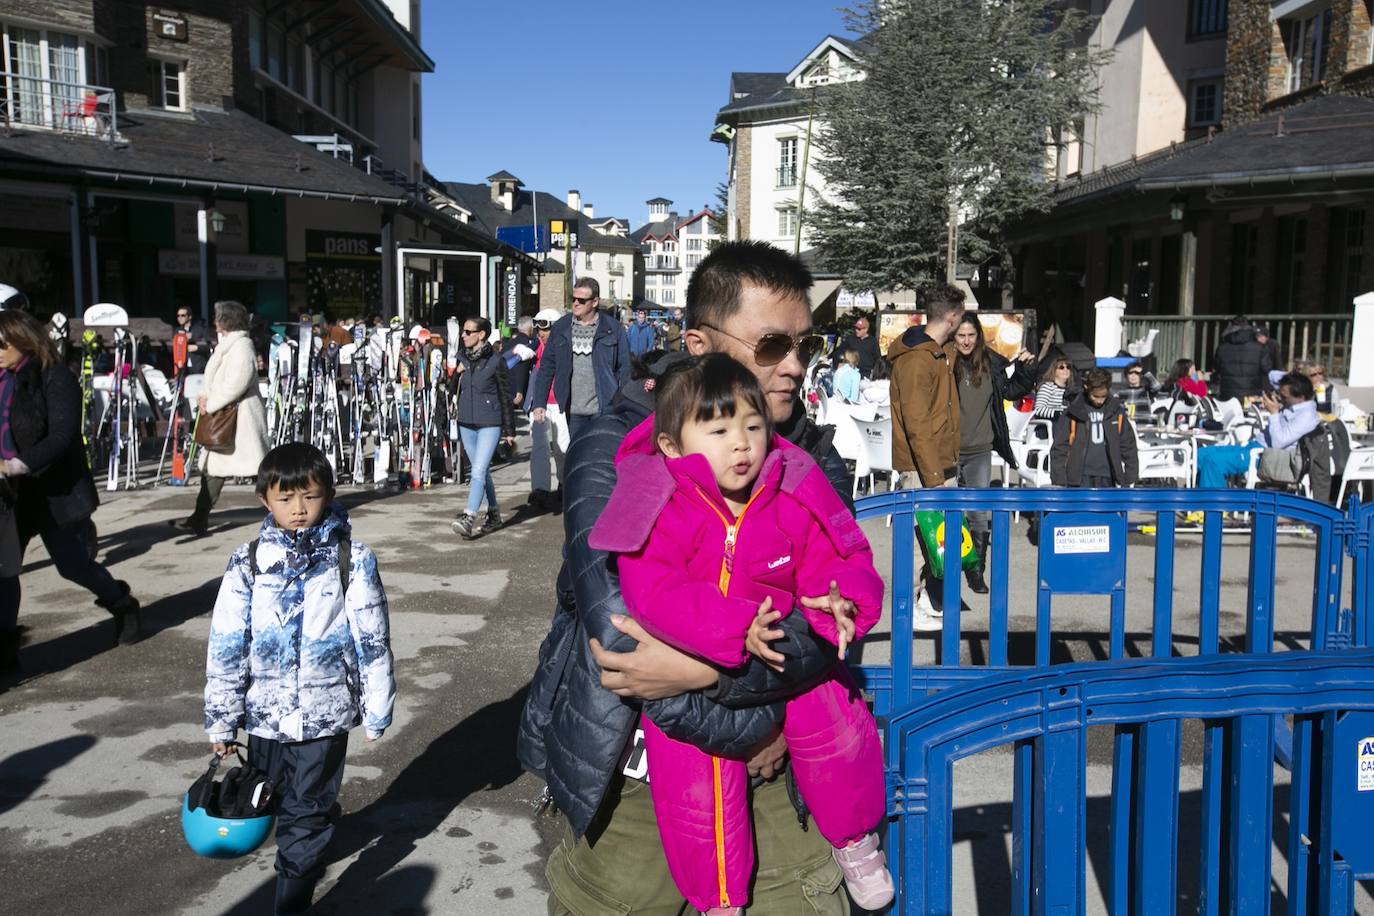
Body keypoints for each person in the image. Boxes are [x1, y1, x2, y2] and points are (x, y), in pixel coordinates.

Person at [520, 241, 852, 915]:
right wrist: (749, 726)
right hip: (643, 770)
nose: (792, 366)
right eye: (769, 346)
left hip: (780, 764)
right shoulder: (626, 441)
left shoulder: (809, 452)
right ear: (698, 343)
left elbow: (835, 616)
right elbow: (624, 639)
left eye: (804, 345)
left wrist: (709, 676)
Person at [587, 354, 892, 914]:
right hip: (689, 661)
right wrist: (731, 626)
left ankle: (855, 840)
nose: (742, 444)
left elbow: (831, 551)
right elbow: (653, 589)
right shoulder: (658, 500)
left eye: (753, 427)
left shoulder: (786, 488)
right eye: (720, 430)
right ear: (672, 446)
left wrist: (838, 598)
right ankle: (718, 899)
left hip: (775, 647)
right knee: (697, 792)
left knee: (837, 723)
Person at [203, 442, 395, 915]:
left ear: (327, 494)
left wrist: (377, 706)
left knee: (304, 813)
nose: (297, 509)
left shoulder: (351, 556)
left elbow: (372, 635)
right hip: (265, 715)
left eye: (308, 497)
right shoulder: (247, 560)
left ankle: (291, 897)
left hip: (324, 715)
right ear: (264, 500)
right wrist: (222, 720)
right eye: (285, 498)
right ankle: (311, 836)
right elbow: (227, 642)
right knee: (274, 799)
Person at [0, 310, 141, 674]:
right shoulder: (1, 378)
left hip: (52, 492)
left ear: (24, 339)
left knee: (72, 565)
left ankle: (122, 603)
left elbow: (63, 437)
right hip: (10, 493)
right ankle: (5, 648)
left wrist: (18, 464)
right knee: (4, 570)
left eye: (3, 343)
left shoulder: (55, 376)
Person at [889, 285, 964, 617]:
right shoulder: (917, 360)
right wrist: (934, 476)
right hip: (925, 469)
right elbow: (916, 422)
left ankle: (932, 604)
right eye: (961, 315)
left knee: (941, 545)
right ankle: (916, 611)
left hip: (940, 464)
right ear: (952, 316)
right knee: (925, 545)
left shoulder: (937, 351)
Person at [951, 312, 1036, 593]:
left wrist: (1025, 368)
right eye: (960, 335)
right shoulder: (945, 364)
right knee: (949, 511)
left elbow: (1013, 391)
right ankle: (947, 567)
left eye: (970, 335)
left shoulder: (991, 364)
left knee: (977, 513)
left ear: (979, 336)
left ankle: (976, 571)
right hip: (948, 449)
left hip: (979, 450)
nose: (965, 341)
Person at [169, 301, 269, 537]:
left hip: (238, 418)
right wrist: (206, 397)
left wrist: (211, 403)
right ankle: (199, 517)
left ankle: (285, 509)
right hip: (228, 417)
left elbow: (236, 383)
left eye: (218, 317)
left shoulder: (241, 346)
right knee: (215, 470)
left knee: (259, 470)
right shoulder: (232, 345)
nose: (215, 322)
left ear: (227, 321)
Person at [529, 278, 631, 442]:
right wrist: (539, 403)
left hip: (604, 407)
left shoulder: (613, 328)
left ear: (595, 302)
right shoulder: (562, 327)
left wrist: (622, 402)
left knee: (599, 454)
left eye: (581, 300)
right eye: (573, 299)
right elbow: (547, 366)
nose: (576, 303)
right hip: (572, 408)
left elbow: (625, 369)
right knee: (578, 455)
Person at [450, 316, 515, 539]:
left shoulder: (497, 361)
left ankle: (469, 517)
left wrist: (509, 432)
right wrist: (456, 373)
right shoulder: (462, 359)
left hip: (490, 422)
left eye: (468, 332)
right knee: (482, 471)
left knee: (477, 471)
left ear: (482, 335)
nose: (463, 335)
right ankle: (494, 514)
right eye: (463, 332)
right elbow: (451, 390)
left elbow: (506, 397)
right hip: (466, 421)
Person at [1195, 371, 1318, 489]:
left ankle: (1213, 507)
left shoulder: (1306, 416)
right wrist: (1292, 377)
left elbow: (1278, 443)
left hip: (1266, 456)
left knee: (1214, 462)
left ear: (1301, 397)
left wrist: (1274, 413)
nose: (1280, 398)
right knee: (1200, 455)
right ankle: (1200, 497)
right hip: (1254, 447)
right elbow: (1272, 375)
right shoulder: (1294, 403)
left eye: (1284, 397)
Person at [1050, 367, 1139, 488]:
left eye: (1103, 396)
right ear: (1086, 387)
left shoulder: (1116, 411)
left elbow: (1128, 445)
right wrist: (1059, 479)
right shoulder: (1073, 411)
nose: (1099, 401)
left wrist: (1130, 476)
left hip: (1108, 475)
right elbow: (1059, 447)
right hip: (1079, 476)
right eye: (1095, 396)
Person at [527, 309, 564, 512]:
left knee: (561, 447)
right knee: (539, 446)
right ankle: (540, 488)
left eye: (545, 327)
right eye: (538, 328)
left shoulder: (563, 346)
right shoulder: (534, 346)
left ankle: (563, 483)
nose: (541, 332)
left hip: (560, 402)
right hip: (540, 403)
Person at [1211, 316, 1271, 402]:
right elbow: (1266, 370)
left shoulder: (1222, 347)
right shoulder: (1261, 348)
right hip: (1252, 394)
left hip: (1228, 394)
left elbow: (1217, 368)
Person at [505, 316, 539, 410]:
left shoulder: (508, 343)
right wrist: (519, 390)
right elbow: (522, 367)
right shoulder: (528, 344)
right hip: (517, 388)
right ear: (531, 329)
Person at [174, 305, 211, 374]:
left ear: (190, 317)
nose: (180, 318)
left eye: (183, 315)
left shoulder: (201, 329)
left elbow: (208, 346)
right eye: (178, 316)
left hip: (198, 365)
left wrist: (197, 347)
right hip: (182, 366)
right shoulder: (177, 331)